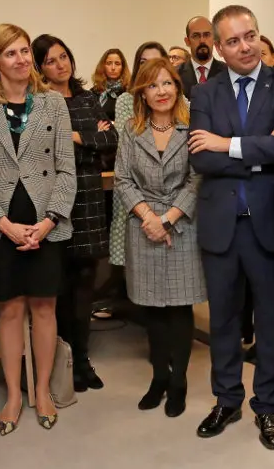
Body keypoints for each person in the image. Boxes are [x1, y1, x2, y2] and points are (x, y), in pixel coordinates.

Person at [189, 5, 274, 451]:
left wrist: (228, 144)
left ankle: (267, 406)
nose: (245, 46)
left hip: (270, 224)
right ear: (219, 48)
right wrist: (260, 151)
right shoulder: (205, 93)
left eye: (250, 35)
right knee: (223, 321)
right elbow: (201, 158)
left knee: (272, 322)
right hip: (221, 226)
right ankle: (227, 400)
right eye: (233, 41)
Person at [0, 23, 76, 434]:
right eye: (11, 53)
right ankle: (13, 394)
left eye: (25, 51)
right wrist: (4, 225)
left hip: (45, 222)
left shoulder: (52, 103)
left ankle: (42, 391)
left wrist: (48, 223)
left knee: (45, 308)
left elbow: (66, 170)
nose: (22, 59)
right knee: (10, 310)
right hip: (1, 224)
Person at [115, 57, 206, 418]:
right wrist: (149, 218)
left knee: (180, 308)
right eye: (152, 85)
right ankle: (159, 378)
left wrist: (167, 219)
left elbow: (198, 179)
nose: (161, 91)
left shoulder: (192, 126)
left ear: (177, 88)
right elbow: (123, 180)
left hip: (182, 225)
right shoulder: (131, 129)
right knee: (151, 308)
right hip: (143, 226)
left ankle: (179, 381)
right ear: (142, 93)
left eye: (167, 83)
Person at [33, 34, 118, 392]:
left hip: (89, 199)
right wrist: (86, 138)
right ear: (40, 68)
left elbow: (111, 140)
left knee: (85, 285)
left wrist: (74, 137)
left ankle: (82, 359)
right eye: (51, 60)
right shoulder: (39, 102)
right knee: (60, 286)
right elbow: (45, 149)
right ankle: (62, 360)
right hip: (54, 201)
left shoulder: (87, 99)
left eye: (63, 56)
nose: (60, 65)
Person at [109, 42, 169, 271]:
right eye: (143, 62)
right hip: (135, 192)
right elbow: (130, 149)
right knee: (135, 266)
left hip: (171, 197)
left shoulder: (181, 101)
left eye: (156, 61)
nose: (149, 67)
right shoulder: (126, 100)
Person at [177, 15, 228, 94]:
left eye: (207, 35)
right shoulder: (176, 74)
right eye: (196, 36)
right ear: (187, 41)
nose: (202, 40)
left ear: (214, 38)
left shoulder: (228, 72)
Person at [90, 47, 131, 122]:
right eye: (109, 63)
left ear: (123, 67)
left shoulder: (129, 92)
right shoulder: (94, 92)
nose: (113, 68)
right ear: (103, 66)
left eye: (117, 64)